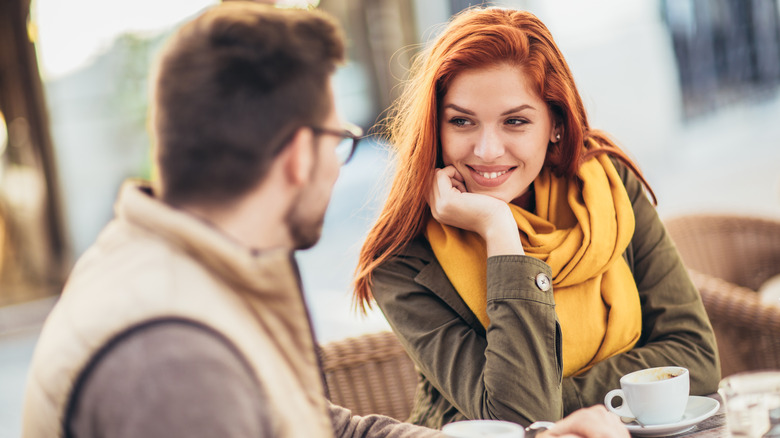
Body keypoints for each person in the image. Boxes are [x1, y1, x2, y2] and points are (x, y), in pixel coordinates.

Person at [20, 3, 629, 438]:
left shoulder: (177, 261)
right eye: (339, 140)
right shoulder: (174, 359)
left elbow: (314, 421)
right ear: (295, 156)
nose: (341, 167)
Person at [354, 6, 721, 429]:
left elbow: (695, 356)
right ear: (434, 127)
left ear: (555, 124)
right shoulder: (404, 260)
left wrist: (554, 396)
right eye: (461, 121)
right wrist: (498, 230)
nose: (487, 150)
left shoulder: (606, 185)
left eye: (515, 121)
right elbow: (518, 419)